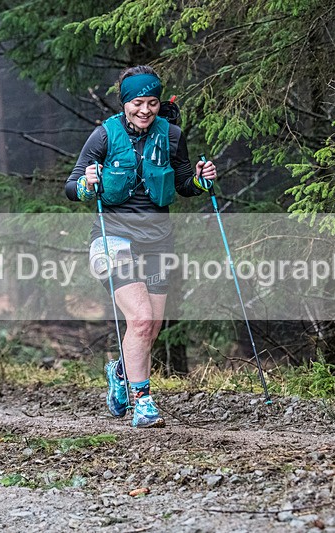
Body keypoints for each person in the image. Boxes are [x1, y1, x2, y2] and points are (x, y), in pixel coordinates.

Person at [65, 65, 217, 428]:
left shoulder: (173, 135)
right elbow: (71, 188)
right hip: (111, 238)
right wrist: (88, 183)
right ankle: (142, 401)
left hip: (157, 240)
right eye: (137, 102)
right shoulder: (104, 135)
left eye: (152, 102)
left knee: (151, 327)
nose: (145, 110)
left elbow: (182, 184)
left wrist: (201, 180)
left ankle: (120, 371)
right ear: (125, 103)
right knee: (141, 318)